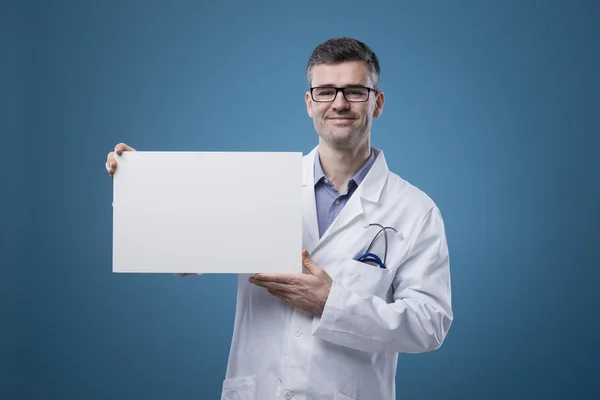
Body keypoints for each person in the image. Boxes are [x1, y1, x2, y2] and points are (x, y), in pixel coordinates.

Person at [106, 37, 452, 400]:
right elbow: (187, 259)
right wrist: (146, 192)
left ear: (377, 102)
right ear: (309, 102)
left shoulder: (415, 210)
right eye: (325, 91)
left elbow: (429, 325)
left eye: (354, 91)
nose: (339, 103)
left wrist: (331, 303)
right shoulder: (257, 184)